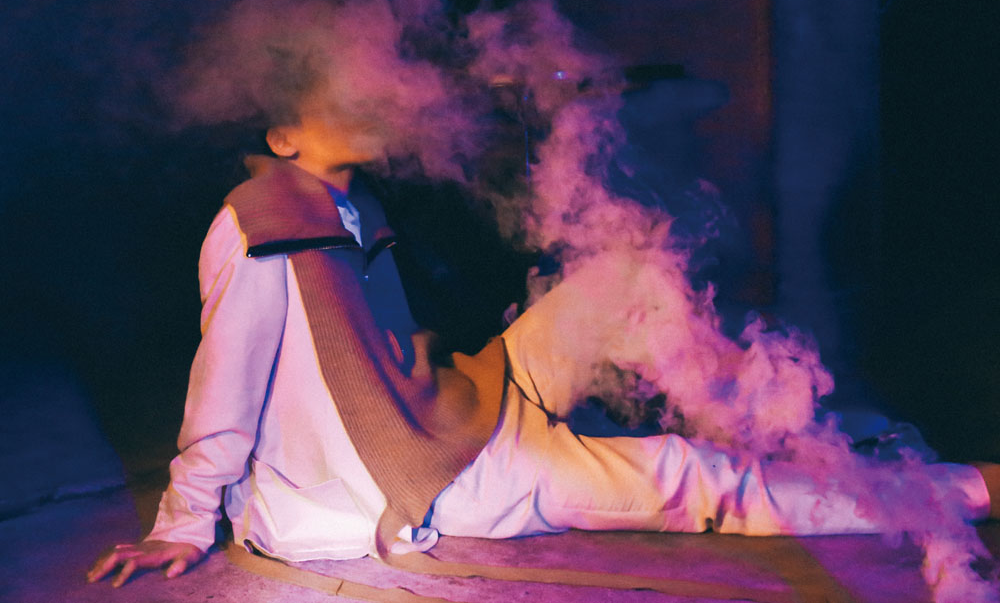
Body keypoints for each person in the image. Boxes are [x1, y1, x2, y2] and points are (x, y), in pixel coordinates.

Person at [88, 90, 1000, 588]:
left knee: (629, 275)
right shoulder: (258, 218)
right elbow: (227, 377)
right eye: (333, 88)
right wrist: (184, 520)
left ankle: (798, 430)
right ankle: (955, 488)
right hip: (451, 476)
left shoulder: (355, 205)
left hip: (471, 396)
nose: (365, 90)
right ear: (283, 135)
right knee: (690, 477)